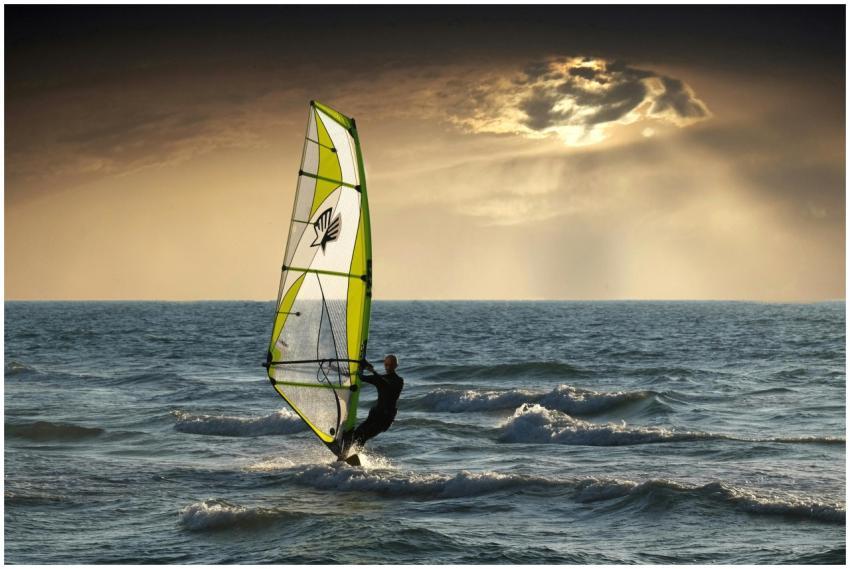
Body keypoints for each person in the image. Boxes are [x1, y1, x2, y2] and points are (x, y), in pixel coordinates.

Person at [337, 354, 403, 458]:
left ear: (396, 366)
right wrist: (360, 367)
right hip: (375, 415)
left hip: (385, 419)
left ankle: (356, 456)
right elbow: (361, 377)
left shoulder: (398, 381)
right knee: (355, 434)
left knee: (363, 436)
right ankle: (344, 456)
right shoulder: (380, 378)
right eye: (386, 364)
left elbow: (386, 384)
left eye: (390, 364)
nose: (387, 367)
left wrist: (372, 371)